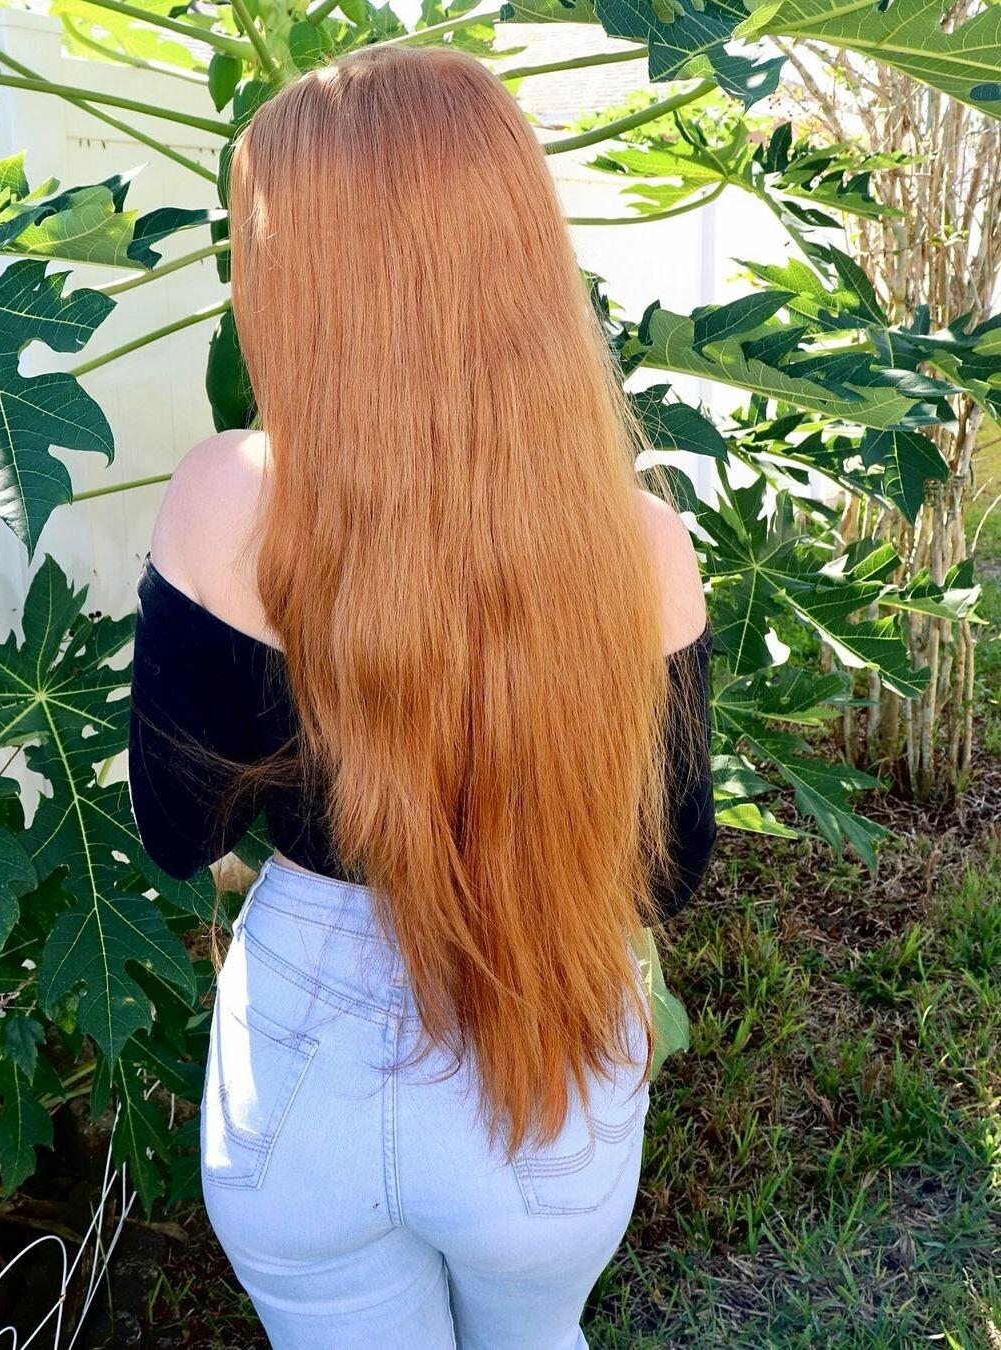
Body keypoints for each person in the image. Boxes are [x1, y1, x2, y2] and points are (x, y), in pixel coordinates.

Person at [127, 41, 716, 1350]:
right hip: (544, 1032)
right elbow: (668, 872)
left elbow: (175, 830)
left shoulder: (225, 496)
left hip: (301, 1064)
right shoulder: (641, 544)